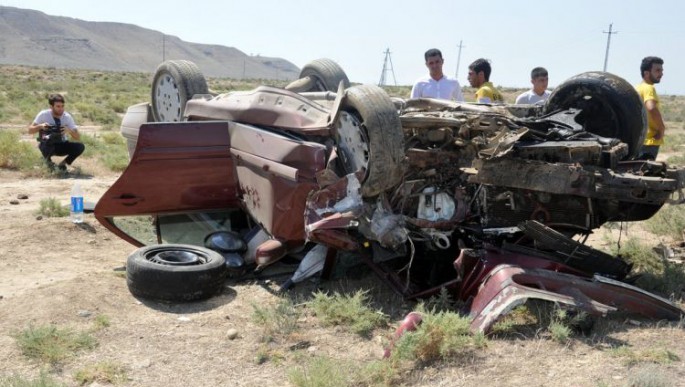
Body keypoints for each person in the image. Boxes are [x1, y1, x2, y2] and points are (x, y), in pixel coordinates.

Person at [28, 94, 85, 172]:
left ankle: (63, 164)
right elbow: (30, 131)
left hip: (62, 145)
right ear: (51, 107)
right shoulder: (43, 114)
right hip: (47, 145)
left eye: (62, 106)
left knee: (80, 147)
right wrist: (40, 126)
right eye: (58, 106)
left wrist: (68, 131)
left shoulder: (67, 117)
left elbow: (77, 137)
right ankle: (47, 162)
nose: (61, 109)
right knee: (44, 147)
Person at [636, 56, 665, 160]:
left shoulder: (638, 87)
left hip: (638, 139)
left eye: (661, 70)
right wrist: (661, 129)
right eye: (657, 70)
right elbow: (651, 108)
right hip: (650, 140)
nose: (661, 74)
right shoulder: (649, 88)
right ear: (646, 73)